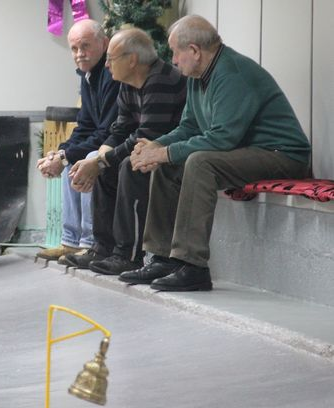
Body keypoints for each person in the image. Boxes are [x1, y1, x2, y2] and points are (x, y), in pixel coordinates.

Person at [125, 15, 311, 291]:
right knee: (168, 163)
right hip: (248, 152)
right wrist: (156, 146)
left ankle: (193, 267)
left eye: (176, 52)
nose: (173, 60)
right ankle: (162, 258)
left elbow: (223, 138)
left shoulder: (232, 73)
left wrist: (164, 153)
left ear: (195, 51)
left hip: (282, 155)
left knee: (200, 162)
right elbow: (189, 127)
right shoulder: (197, 75)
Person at [66, 28, 187, 274]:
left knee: (126, 167)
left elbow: (148, 136)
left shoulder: (161, 79)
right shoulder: (129, 82)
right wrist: (98, 161)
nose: (107, 65)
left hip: (173, 153)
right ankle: (103, 248)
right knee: (104, 168)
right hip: (149, 150)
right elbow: (120, 130)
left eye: (112, 58)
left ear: (132, 60)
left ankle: (128, 255)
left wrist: (101, 161)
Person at [36, 19, 120, 264]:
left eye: (85, 46)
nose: (79, 54)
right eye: (74, 48)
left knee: (87, 158)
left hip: (119, 146)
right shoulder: (87, 76)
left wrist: (65, 157)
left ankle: (90, 242)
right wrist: (60, 153)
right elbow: (84, 125)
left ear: (103, 44)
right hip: (104, 140)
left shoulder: (113, 77)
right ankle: (70, 243)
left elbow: (107, 131)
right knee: (71, 156)